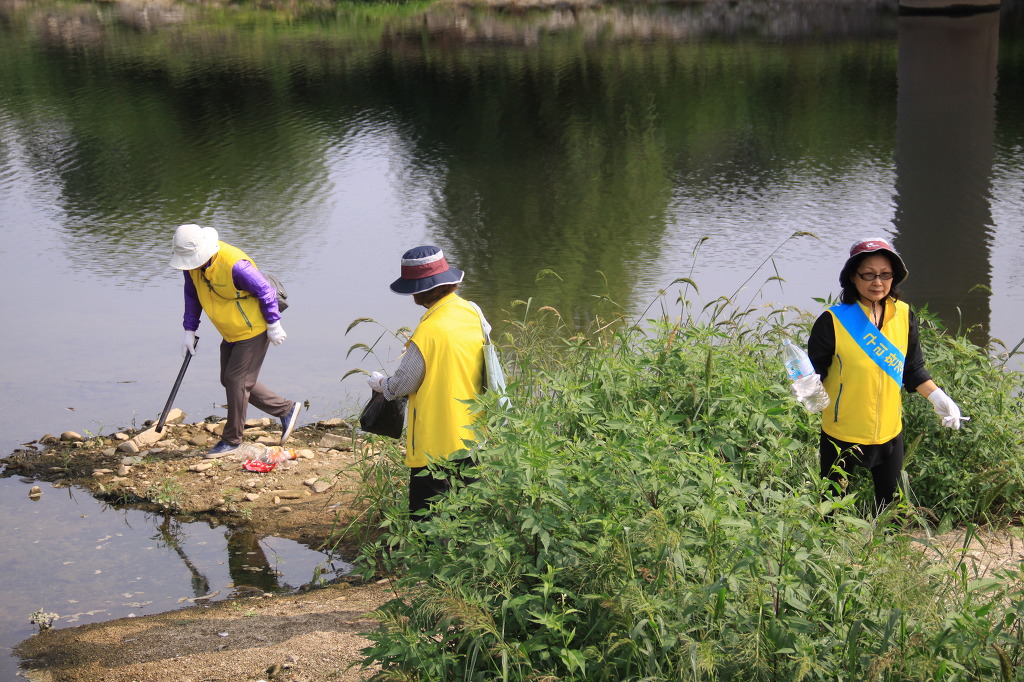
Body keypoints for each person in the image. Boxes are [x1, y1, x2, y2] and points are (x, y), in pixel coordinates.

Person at [807, 237, 962, 511]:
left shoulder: (903, 315)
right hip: (842, 432)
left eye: (885, 274)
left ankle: (886, 552)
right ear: (852, 278)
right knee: (830, 511)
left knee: (892, 511)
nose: (877, 282)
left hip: (890, 431)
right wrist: (804, 386)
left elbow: (912, 369)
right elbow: (812, 374)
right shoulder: (832, 321)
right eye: (868, 274)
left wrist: (938, 397)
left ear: (894, 278)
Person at [366, 245, 485, 517]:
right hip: (474, 433)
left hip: (436, 441)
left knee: (428, 516)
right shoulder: (472, 312)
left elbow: (401, 385)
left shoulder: (429, 330)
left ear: (419, 290)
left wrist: (381, 383)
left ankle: (429, 557)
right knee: (467, 513)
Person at [169, 223, 302, 458]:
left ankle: (232, 440)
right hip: (230, 330)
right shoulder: (192, 267)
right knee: (230, 380)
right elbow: (192, 295)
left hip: (254, 328)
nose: (190, 264)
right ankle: (286, 409)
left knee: (236, 380)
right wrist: (189, 329)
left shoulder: (235, 265)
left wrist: (274, 324)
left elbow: (266, 291)